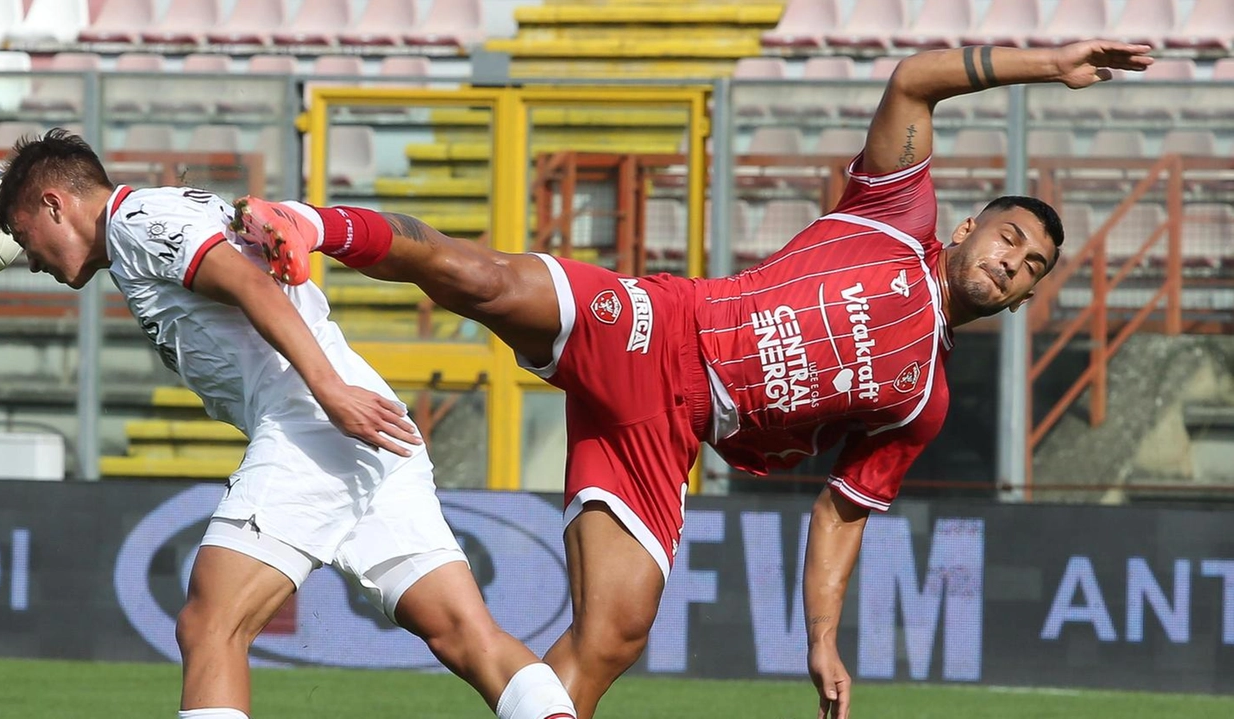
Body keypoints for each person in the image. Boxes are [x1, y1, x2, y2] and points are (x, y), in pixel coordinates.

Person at [233, 41, 1153, 719]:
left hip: (668, 439)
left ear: (1028, 295)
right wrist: (1048, 63)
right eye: (1009, 239)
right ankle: (315, 225)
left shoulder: (923, 399)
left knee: (613, 638)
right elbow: (914, 77)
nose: (1015, 263)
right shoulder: (892, 211)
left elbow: (841, 510)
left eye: (1033, 267)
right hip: (659, 329)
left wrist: (824, 639)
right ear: (964, 230)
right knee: (484, 279)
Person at [0, 130, 578, 719]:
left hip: (316, 419)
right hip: (363, 428)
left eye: (23, 237)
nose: (30, 258)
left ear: (53, 203)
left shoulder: (135, 222)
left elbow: (248, 284)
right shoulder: (157, 217)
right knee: (465, 634)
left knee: (210, 626)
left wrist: (329, 393)